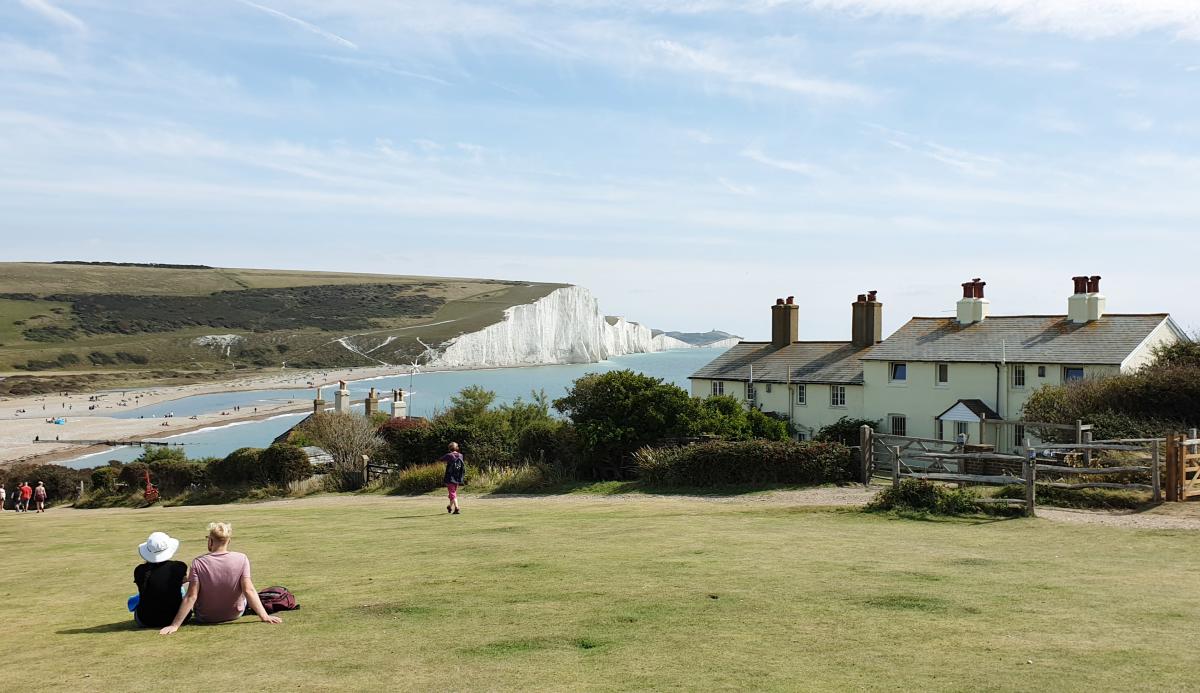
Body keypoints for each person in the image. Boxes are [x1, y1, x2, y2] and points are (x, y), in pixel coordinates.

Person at [159, 522, 282, 635]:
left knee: (184, 589)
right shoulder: (242, 558)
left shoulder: (198, 562)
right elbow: (249, 590)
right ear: (229, 541)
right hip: (235, 614)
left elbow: (191, 596)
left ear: (210, 541)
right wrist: (264, 616)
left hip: (205, 617)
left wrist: (175, 625)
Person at [132, 532, 189, 629]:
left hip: (146, 620)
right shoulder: (179, 567)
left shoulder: (139, 570)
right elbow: (184, 580)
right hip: (176, 616)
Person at [440, 442, 466, 515]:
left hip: (450, 477)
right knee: (453, 492)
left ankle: (457, 507)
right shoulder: (461, 455)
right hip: (458, 477)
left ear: (450, 448)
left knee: (452, 493)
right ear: (457, 448)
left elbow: (441, 459)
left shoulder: (449, 455)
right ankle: (449, 506)